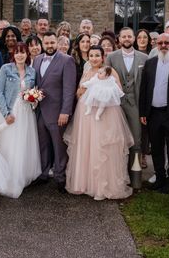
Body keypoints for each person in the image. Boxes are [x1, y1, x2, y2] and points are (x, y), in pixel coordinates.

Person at [65, 46, 133, 199]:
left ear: (103, 57)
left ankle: (103, 187)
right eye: (91, 55)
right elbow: (79, 92)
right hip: (85, 114)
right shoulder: (87, 72)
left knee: (102, 147)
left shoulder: (109, 71)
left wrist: (101, 94)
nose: (94, 58)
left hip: (105, 114)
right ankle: (85, 183)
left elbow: (117, 91)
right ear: (88, 57)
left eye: (97, 55)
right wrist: (81, 91)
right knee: (87, 146)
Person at [139, 33, 169, 193]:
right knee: (157, 148)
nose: (163, 45)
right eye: (159, 43)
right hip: (153, 113)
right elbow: (144, 89)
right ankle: (159, 177)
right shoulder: (150, 63)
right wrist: (143, 112)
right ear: (156, 45)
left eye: (166, 42)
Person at [0, 42, 41, 198]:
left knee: (22, 145)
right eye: (17, 52)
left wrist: (34, 100)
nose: (20, 55)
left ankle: (19, 177)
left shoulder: (32, 71)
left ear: (27, 54)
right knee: (7, 144)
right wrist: (6, 113)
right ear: (13, 54)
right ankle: (4, 178)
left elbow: (33, 91)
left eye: (23, 52)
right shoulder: (6, 69)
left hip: (26, 112)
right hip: (8, 110)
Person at [33, 32, 77, 191]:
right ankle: (44, 173)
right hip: (39, 111)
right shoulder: (37, 60)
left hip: (57, 112)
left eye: (52, 43)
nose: (49, 46)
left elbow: (69, 89)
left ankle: (60, 177)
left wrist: (65, 111)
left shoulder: (67, 60)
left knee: (59, 147)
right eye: (47, 43)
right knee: (43, 144)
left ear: (57, 43)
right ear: (42, 44)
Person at [107, 27, 149, 169]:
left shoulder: (144, 58)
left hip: (135, 104)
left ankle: (136, 178)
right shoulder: (111, 57)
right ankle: (118, 174)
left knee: (136, 141)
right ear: (118, 39)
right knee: (116, 140)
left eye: (129, 36)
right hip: (115, 104)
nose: (126, 39)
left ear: (134, 38)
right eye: (123, 36)